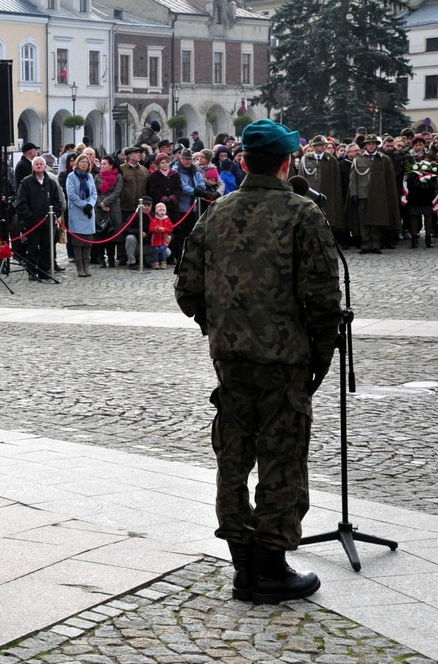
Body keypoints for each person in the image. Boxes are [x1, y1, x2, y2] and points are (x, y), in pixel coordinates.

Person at [174, 118, 342, 606]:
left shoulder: (216, 214)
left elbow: (187, 290)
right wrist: (319, 356)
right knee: (281, 458)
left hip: (230, 357)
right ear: (288, 162)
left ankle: (243, 566)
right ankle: (269, 566)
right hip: (284, 358)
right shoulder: (301, 213)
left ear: (243, 161)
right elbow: (324, 299)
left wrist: (219, 325)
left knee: (233, 453)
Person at [348, 134, 400, 254]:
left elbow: (389, 179)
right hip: (363, 194)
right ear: (365, 146)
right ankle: (365, 244)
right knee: (363, 220)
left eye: (373, 144)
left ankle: (375, 243)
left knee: (376, 220)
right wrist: (354, 194)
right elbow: (353, 179)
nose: (371, 146)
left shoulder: (384, 159)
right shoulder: (357, 160)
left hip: (378, 194)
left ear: (377, 145)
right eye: (369, 144)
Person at [15, 156, 64, 282]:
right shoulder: (26, 182)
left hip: (48, 222)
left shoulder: (51, 183)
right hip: (32, 223)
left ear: (45, 166)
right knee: (32, 248)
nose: (38, 166)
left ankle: (43, 271)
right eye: (36, 164)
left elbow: (57, 202)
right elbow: (21, 202)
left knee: (46, 247)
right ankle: (32, 271)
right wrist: (30, 217)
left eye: (41, 164)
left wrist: (55, 214)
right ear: (32, 167)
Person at [65, 154, 97, 277]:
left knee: (88, 240)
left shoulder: (89, 176)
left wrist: (90, 204)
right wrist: (83, 204)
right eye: (82, 161)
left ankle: (86, 264)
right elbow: (71, 194)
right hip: (77, 210)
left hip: (89, 211)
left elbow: (94, 192)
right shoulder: (71, 176)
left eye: (86, 162)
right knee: (78, 240)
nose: (84, 164)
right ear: (77, 163)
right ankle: (79, 266)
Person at [95, 154, 124, 268]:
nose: (102, 166)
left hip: (114, 207)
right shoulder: (98, 177)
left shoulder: (118, 176)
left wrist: (106, 202)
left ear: (111, 165)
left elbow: (117, 192)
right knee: (100, 234)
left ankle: (111, 258)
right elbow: (95, 193)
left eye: (105, 164)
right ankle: (101, 258)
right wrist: (101, 203)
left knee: (113, 234)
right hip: (100, 208)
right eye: (101, 164)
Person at [149, 202, 174, 269]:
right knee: (156, 250)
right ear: (157, 211)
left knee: (162, 249)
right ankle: (156, 263)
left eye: (163, 210)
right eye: (160, 210)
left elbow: (171, 228)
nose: (162, 212)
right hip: (156, 240)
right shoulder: (154, 219)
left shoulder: (167, 219)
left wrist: (164, 229)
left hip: (163, 239)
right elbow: (151, 228)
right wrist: (156, 229)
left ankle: (163, 262)